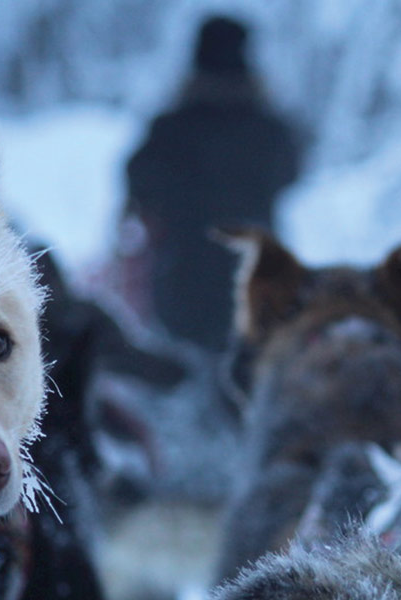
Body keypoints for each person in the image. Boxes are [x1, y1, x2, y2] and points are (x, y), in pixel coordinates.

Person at [122, 15, 302, 353]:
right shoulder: (271, 131)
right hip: (256, 280)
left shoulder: (170, 129)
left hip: (180, 282)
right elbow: (289, 177)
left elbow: (137, 186)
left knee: (181, 382)